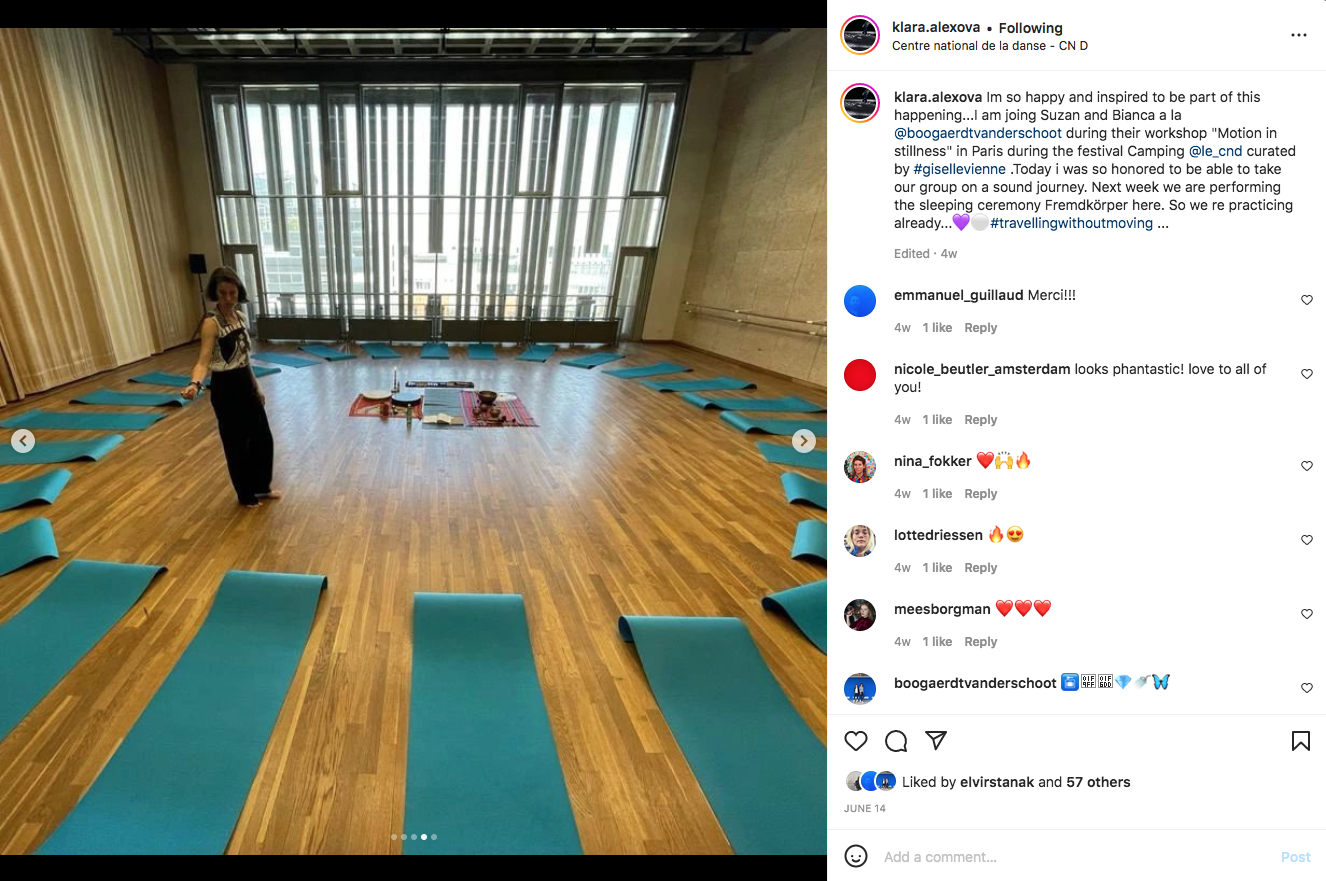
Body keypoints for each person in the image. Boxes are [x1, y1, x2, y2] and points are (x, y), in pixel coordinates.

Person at [182, 267, 281, 508]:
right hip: (225, 387)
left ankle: (261, 486)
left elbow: (245, 359)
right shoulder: (211, 323)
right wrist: (195, 383)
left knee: (262, 438)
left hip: (245, 382)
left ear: (239, 292)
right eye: (223, 293)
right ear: (215, 293)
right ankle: (245, 495)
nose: (228, 298)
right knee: (236, 443)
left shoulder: (241, 317)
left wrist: (256, 388)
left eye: (232, 293)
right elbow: (203, 360)